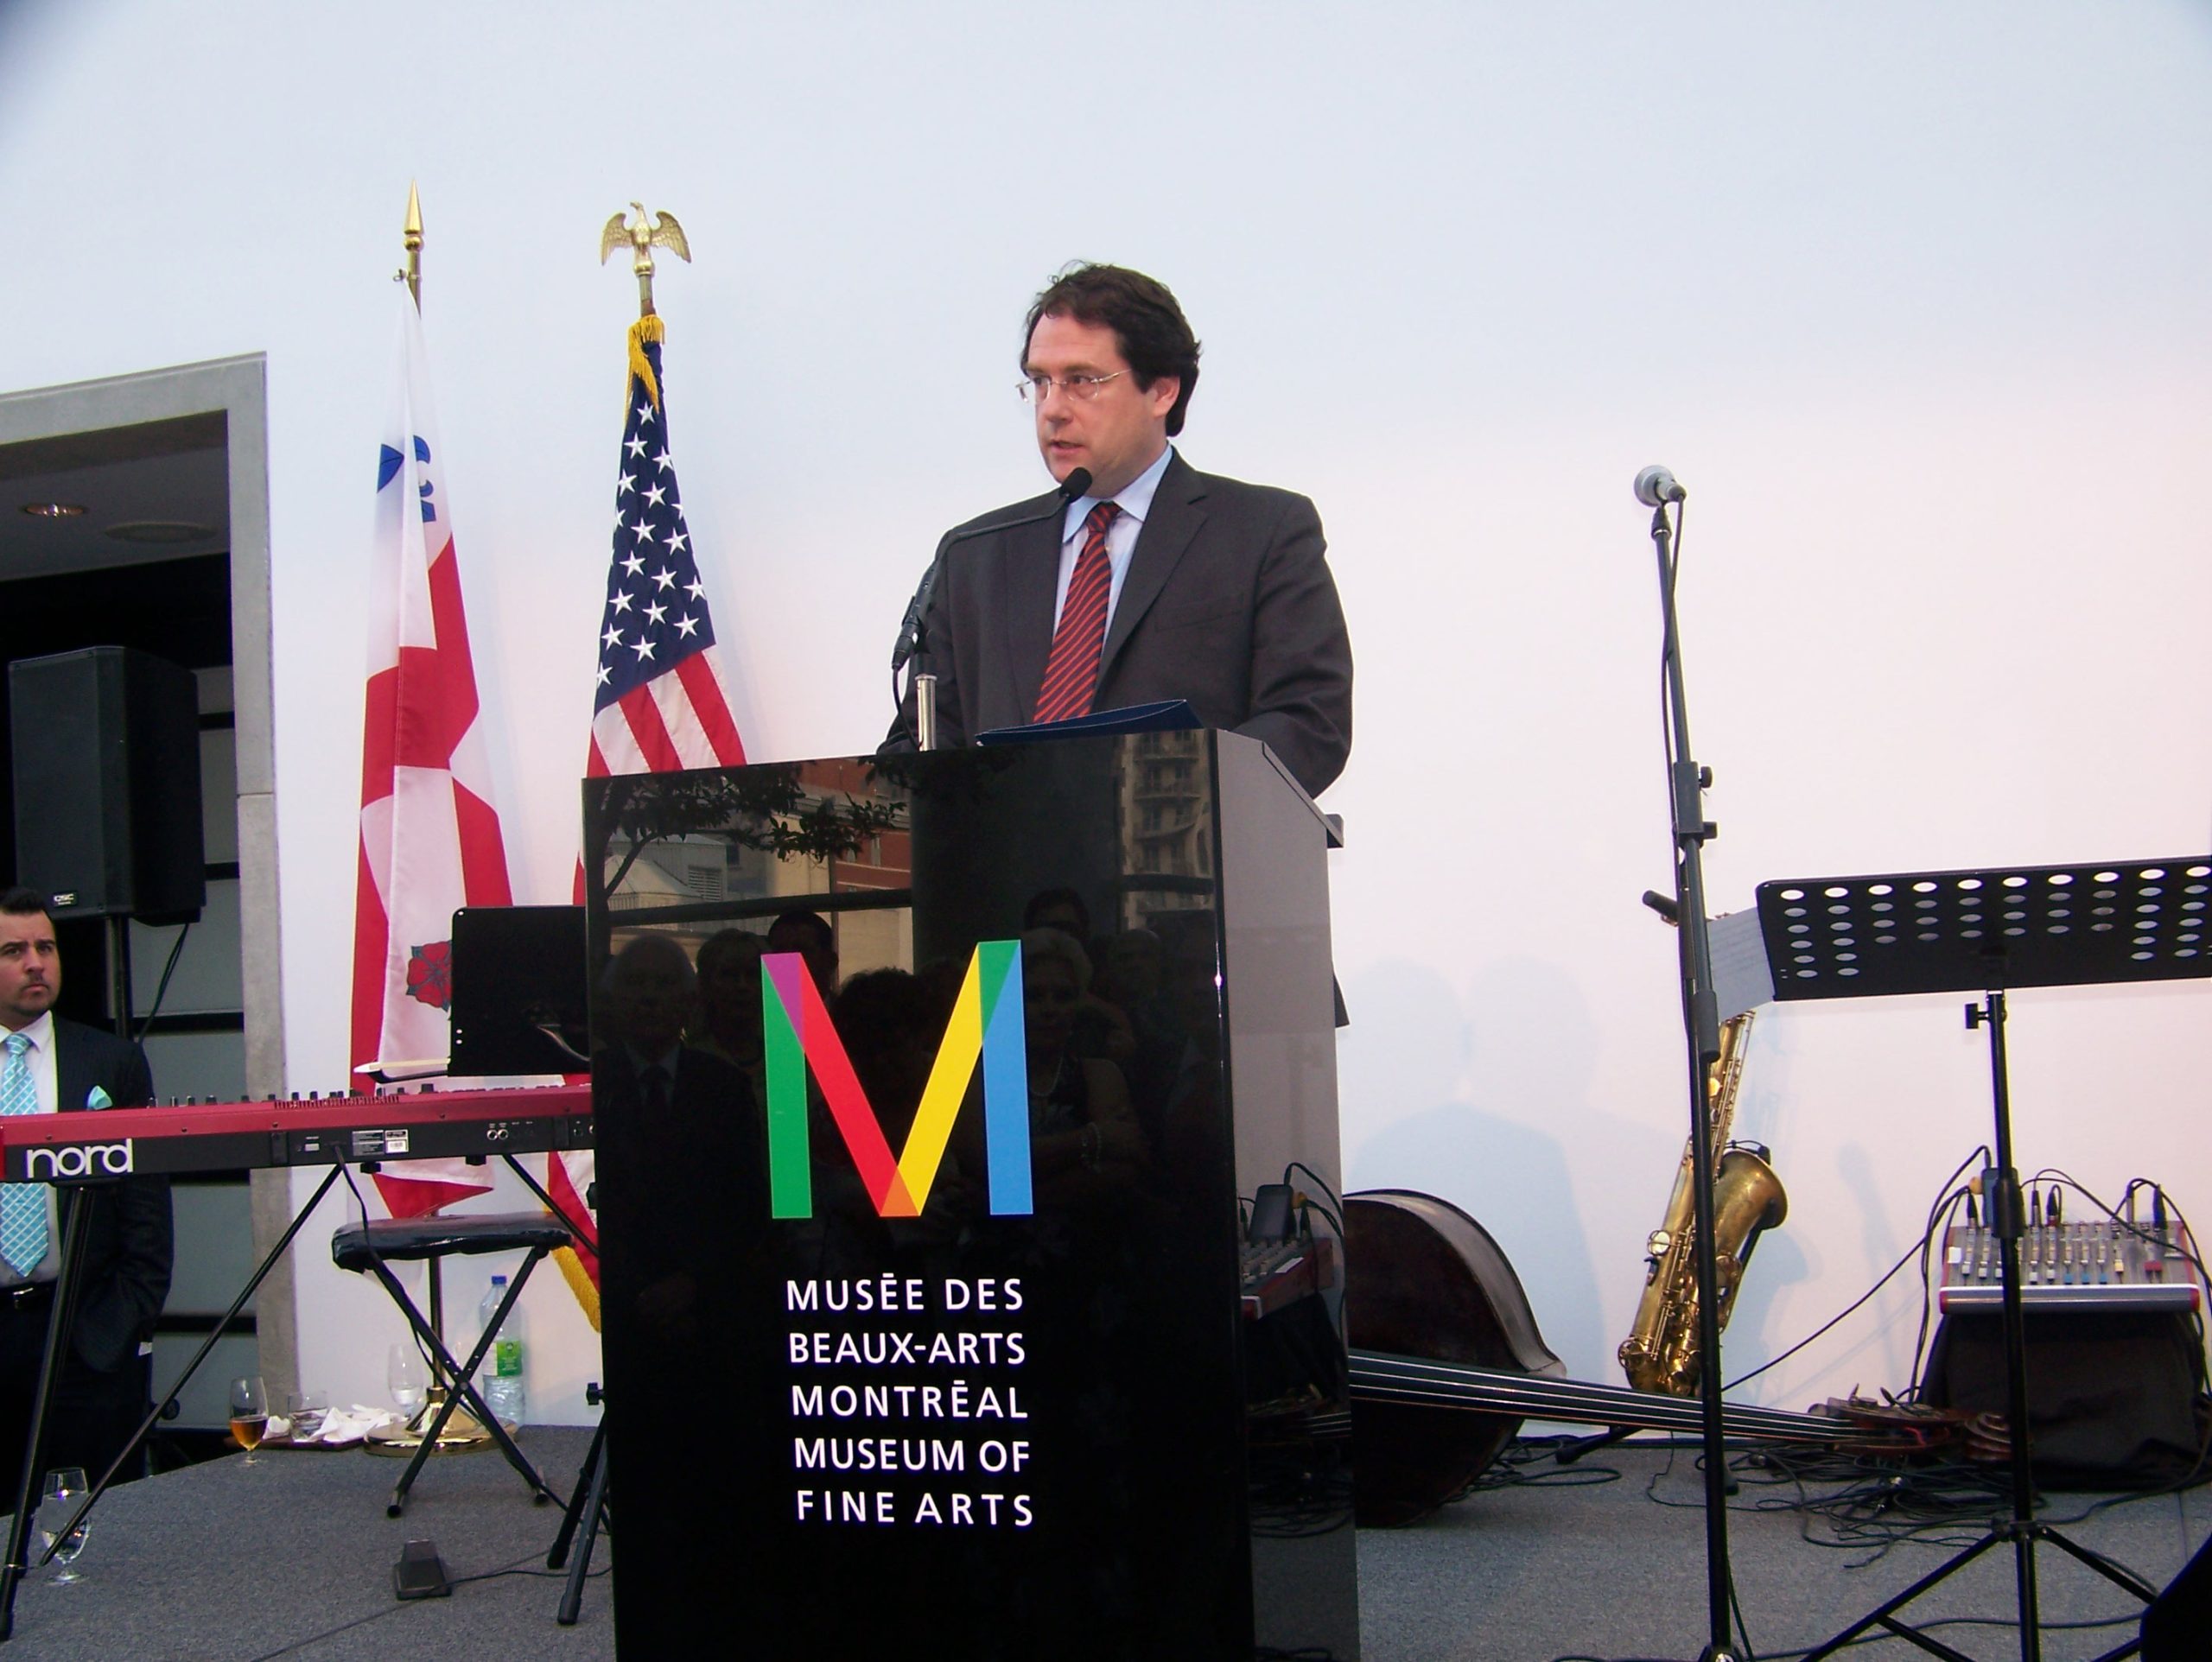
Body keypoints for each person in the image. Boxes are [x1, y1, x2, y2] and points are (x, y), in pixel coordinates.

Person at [883, 263, 1353, 797]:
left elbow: (1308, 722)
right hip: (1009, 871)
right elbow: (918, 746)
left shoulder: (1262, 532)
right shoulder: (975, 553)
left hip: (1180, 861)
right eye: (1040, 382)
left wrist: (1161, 799)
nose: (1053, 410)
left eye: (1082, 381)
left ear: (1162, 391)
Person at [0, 887, 172, 1499]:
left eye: (45, 947)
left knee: (96, 1530)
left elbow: (148, 1222)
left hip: (84, 1335)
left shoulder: (111, 1063)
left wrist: (118, 1330)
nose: (35, 963)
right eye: (14, 950)